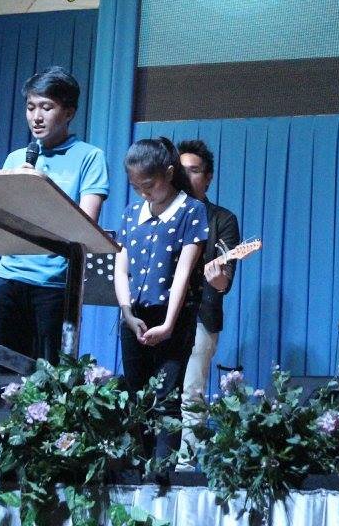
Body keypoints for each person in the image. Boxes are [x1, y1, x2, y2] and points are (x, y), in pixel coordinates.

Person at [0, 66, 108, 364]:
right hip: (9, 278)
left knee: (52, 376)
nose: (36, 117)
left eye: (46, 107)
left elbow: (85, 225)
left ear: (68, 112)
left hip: (54, 285)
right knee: (4, 371)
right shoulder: (16, 159)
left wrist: (40, 191)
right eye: (31, 107)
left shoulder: (89, 157)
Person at [114, 137, 209, 459]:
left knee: (167, 398)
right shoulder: (131, 214)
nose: (143, 193)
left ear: (168, 173)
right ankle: (138, 469)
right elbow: (121, 267)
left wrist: (168, 324)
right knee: (136, 396)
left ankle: (162, 474)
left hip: (173, 319)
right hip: (134, 319)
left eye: (149, 185)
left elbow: (183, 272)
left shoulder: (191, 210)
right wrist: (127, 312)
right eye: (136, 187)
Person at [176, 139, 241, 455]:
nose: (187, 177)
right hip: (157, 315)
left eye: (195, 171)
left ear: (209, 177)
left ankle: (185, 466)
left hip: (200, 316)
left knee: (191, 393)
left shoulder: (222, 220)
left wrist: (218, 277)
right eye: (181, 171)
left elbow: (224, 282)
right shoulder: (162, 213)